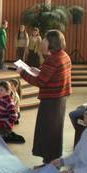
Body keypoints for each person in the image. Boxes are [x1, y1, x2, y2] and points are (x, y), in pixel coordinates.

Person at [17, 30, 72, 165]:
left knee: (47, 131)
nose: (43, 42)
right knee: (55, 131)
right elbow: (51, 76)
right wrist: (39, 71)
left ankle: (49, 163)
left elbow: (40, 82)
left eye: (46, 40)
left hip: (51, 100)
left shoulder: (53, 59)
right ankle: (52, 161)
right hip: (60, 99)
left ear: (51, 42)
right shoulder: (63, 55)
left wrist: (22, 72)